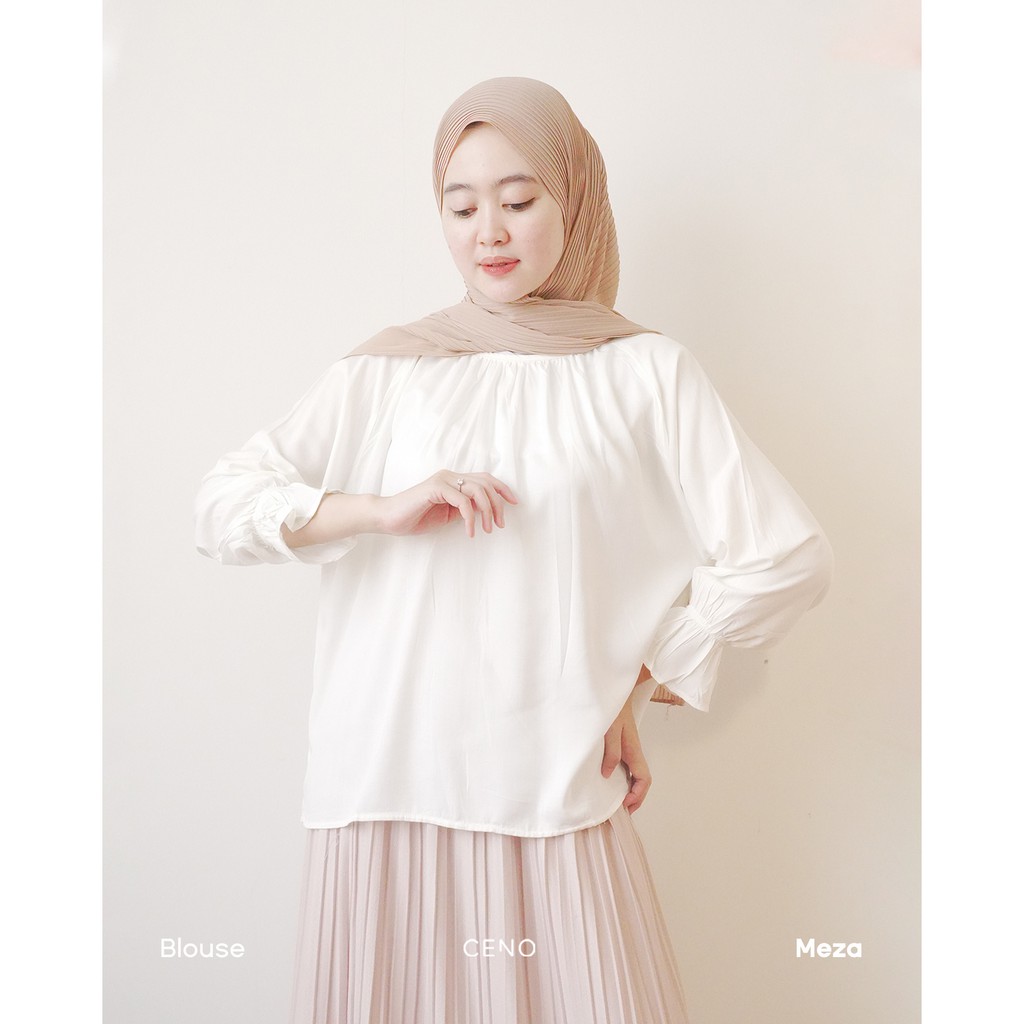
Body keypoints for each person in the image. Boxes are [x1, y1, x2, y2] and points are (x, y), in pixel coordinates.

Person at [194, 76, 833, 1024]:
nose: (488, 231)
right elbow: (221, 507)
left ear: (574, 202)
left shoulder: (644, 372)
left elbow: (786, 555)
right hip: (382, 779)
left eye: (519, 200)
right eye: (461, 207)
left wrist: (645, 677)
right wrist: (378, 509)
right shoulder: (388, 370)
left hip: (550, 781)